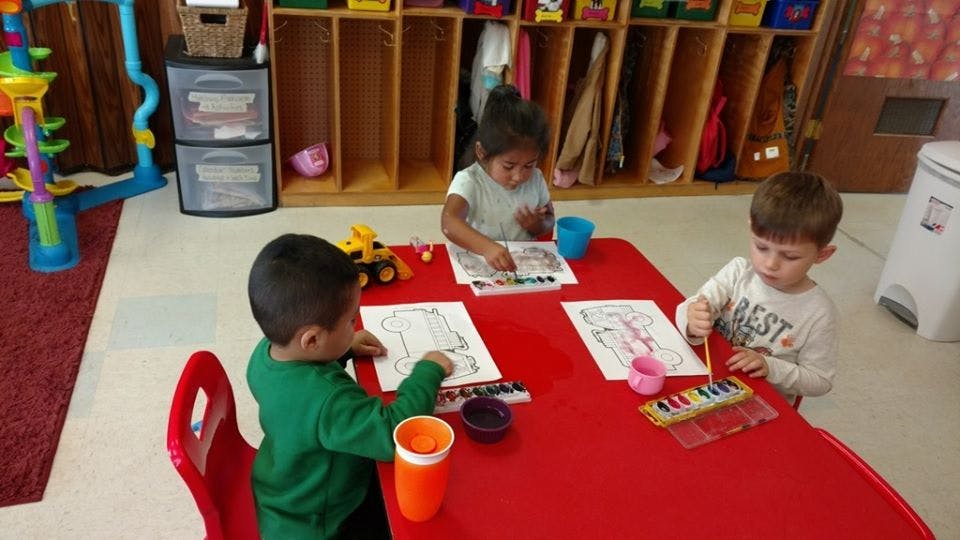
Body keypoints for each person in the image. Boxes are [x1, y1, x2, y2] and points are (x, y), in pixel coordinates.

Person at [246, 233, 453, 539]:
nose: (356, 325)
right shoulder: (328, 400)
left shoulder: (267, 351)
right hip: (318, 520)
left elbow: (303, 384)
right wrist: (427, 373)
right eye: (351, 321)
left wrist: (344, 346)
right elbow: (393, 435)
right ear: (312, 340)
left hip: (283, 482)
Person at [675, 171, 843, 403]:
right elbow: (690, 307)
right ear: (751, 228)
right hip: (707, 379)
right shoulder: (738, 272)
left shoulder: (820, 313)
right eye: (761, 247)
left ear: (822, 254)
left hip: (758, 402)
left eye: (790, 256)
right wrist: (692, 321)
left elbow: (820, 381)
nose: (770, 264)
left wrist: (769, 367)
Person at [441, 84, 555, 272]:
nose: (519, 176)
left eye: (529, 165)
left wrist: (538, 225)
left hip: (523, 266)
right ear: (482, 152)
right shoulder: (469, 181)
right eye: (508, 166)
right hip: (480, 264)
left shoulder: (536, 179)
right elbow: (449, 222)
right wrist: (487, 248)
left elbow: (550, 219)